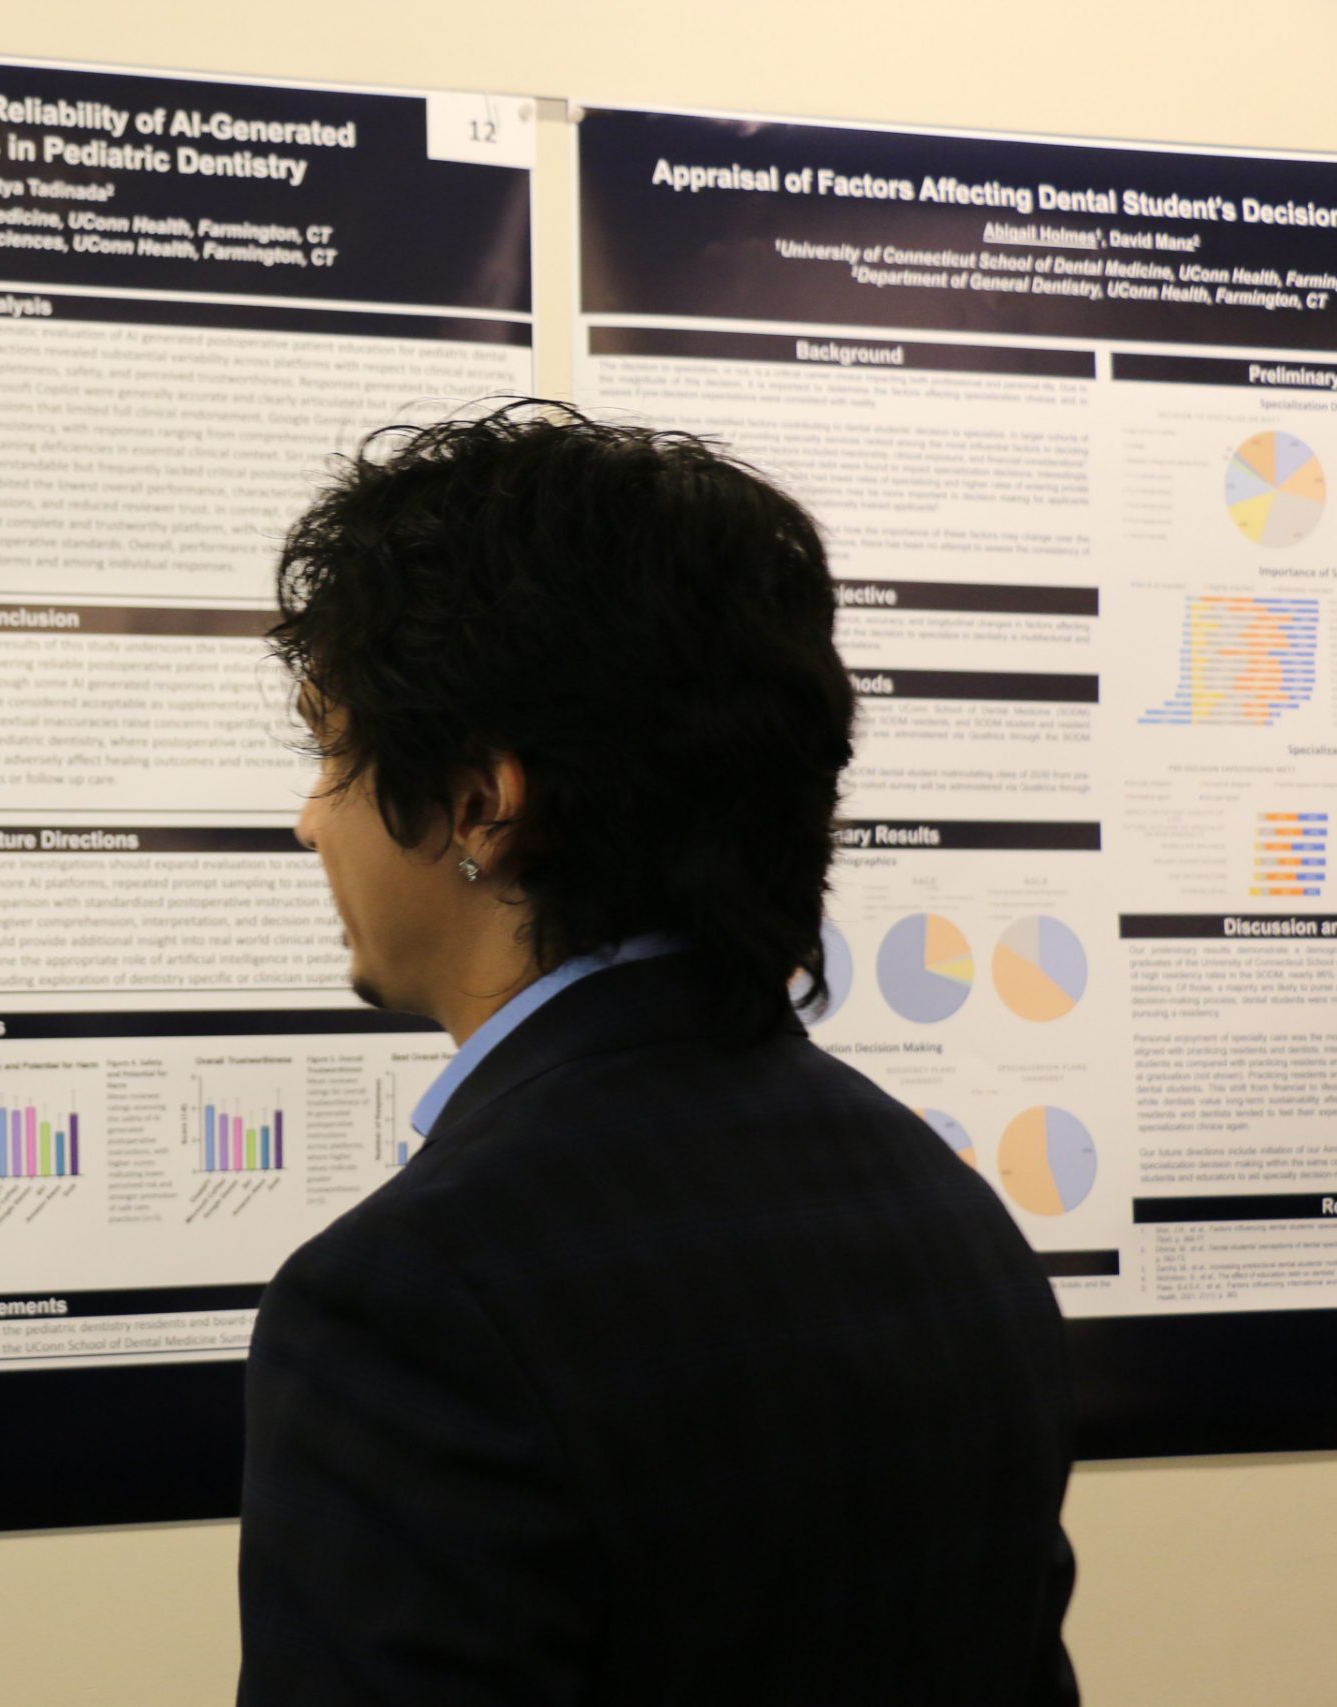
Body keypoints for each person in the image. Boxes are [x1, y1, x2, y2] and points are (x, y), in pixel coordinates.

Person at [239, 404, 1076, 1705]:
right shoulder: (942, 1205)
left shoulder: (413, 1301)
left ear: (479, 803)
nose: (308, 820)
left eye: (336, 751)